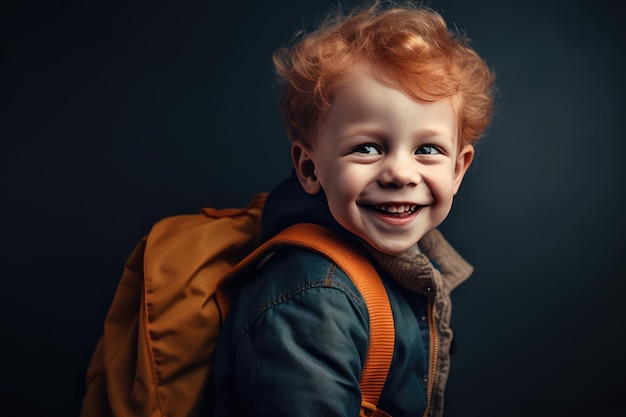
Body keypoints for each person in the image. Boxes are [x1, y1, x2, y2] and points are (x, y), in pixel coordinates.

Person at [212, 1, 495, 416]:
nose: (400, 173)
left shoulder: (400, 266)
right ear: (310, 168)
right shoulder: (313, 299)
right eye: (367, 147)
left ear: (458, 169)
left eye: (427, 149)